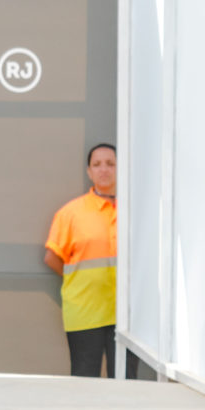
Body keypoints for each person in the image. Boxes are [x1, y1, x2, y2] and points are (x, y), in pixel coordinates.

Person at [44, 143, 137, 379]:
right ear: (89, 171)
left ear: (120, 168)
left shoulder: (134, 211)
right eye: (97, 164)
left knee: (126, 382)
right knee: (84, 381)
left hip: (126, 314)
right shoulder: (71, 213)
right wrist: (79, 281)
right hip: (85, 313)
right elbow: (52, 258)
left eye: (110, 164)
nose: (104, 169)